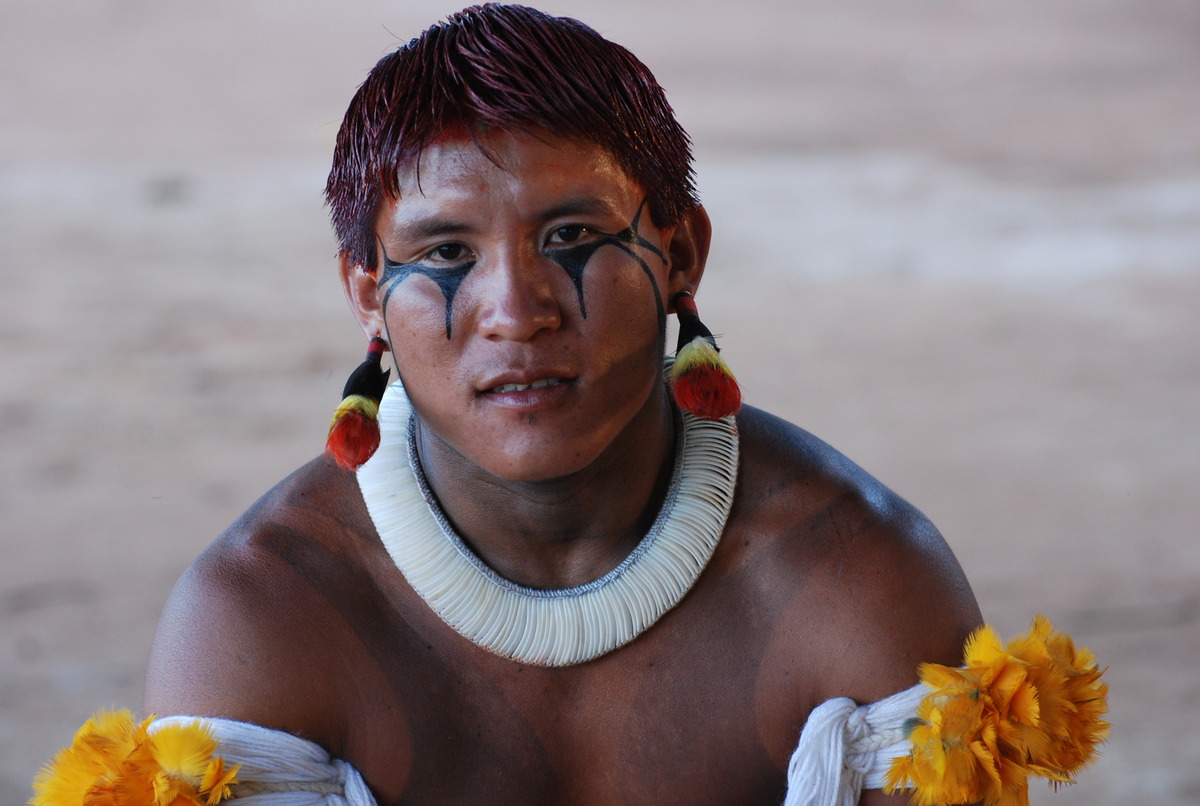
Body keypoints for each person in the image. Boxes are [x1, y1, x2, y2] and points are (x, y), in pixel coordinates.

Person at [33, 5, 1106, 806]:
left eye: (573, 238)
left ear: (681, 255)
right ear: (368, 295)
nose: (517, 309)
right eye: (446, 253)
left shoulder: (855, 579)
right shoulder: (264, 621)